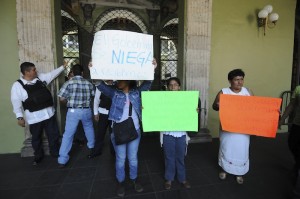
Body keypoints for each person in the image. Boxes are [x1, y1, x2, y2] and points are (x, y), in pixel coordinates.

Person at [95, 59, 157, 197]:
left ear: (128, 80)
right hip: (118, 131)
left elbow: (148, 83)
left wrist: (153, 67)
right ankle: (121, 182)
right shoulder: (114, 92)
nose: (118, 81)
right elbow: (99, 84)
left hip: (134, 130)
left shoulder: (136, 92)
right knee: (120, 159)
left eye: (121, 79)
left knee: (133, 158)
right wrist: (94, 68)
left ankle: (134, 180)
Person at [11, 61, 67, 165]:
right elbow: (16, 102)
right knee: (36, 138)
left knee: (53, 135)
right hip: (34, 117)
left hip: (49, 114)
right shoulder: (17, 85)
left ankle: (55, 153)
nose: (36, 71)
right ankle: (38, 156)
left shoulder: (39, 78)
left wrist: (62, 67)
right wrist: (19, 117)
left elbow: (51, 74)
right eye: (33, 70)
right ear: (27, 72)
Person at [212, 69, 254, 184]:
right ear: (230, 81)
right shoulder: (224, 92)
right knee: (227, 148)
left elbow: (255, 108)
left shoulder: (247, 92)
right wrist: (218, 105)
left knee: (242, 149)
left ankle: (240, 172)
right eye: (236, 79)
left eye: (241, 79)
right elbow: (214, 107)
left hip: (243, 128)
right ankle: (224, 169)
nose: (239, 82)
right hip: (228, 127)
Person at [57, 64, 95, 167]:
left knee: (68, 134)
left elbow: (61, 98)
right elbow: (93, 96)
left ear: (72, 72)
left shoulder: (68, 83)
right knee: (89, 128)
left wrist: (69, 104)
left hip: (73, 111)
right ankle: (92, 148)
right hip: (86, 110)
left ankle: (62, 159)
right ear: (82, 72)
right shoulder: (89, 83)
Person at [160, 77, 193, 190]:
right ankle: (169, 178)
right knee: (169, 157)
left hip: (181, 134)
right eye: (170, 85)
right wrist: (148, 109)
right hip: (168, 133)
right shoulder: (163, 99)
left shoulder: (186, 99)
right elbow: (157, 112)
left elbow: (190, 113)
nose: (173, 86)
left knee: (180, 157)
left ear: (179, 86)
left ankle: (182, 178)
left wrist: (195, 110)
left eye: (175, 84)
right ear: (168, 87)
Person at [279, 85, 300, 184]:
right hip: (297, 124)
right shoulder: (298, 89)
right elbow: (292, 105)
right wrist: (283, 119)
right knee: (292, 144)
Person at [89, 80, 114, 158]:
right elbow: (96, 100)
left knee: (113, 134)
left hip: (114, 114)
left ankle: (114, 152)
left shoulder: (117, 85)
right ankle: (97, 151)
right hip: (103, 113)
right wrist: (96, 113)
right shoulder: (101, 86)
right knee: (100, 133)